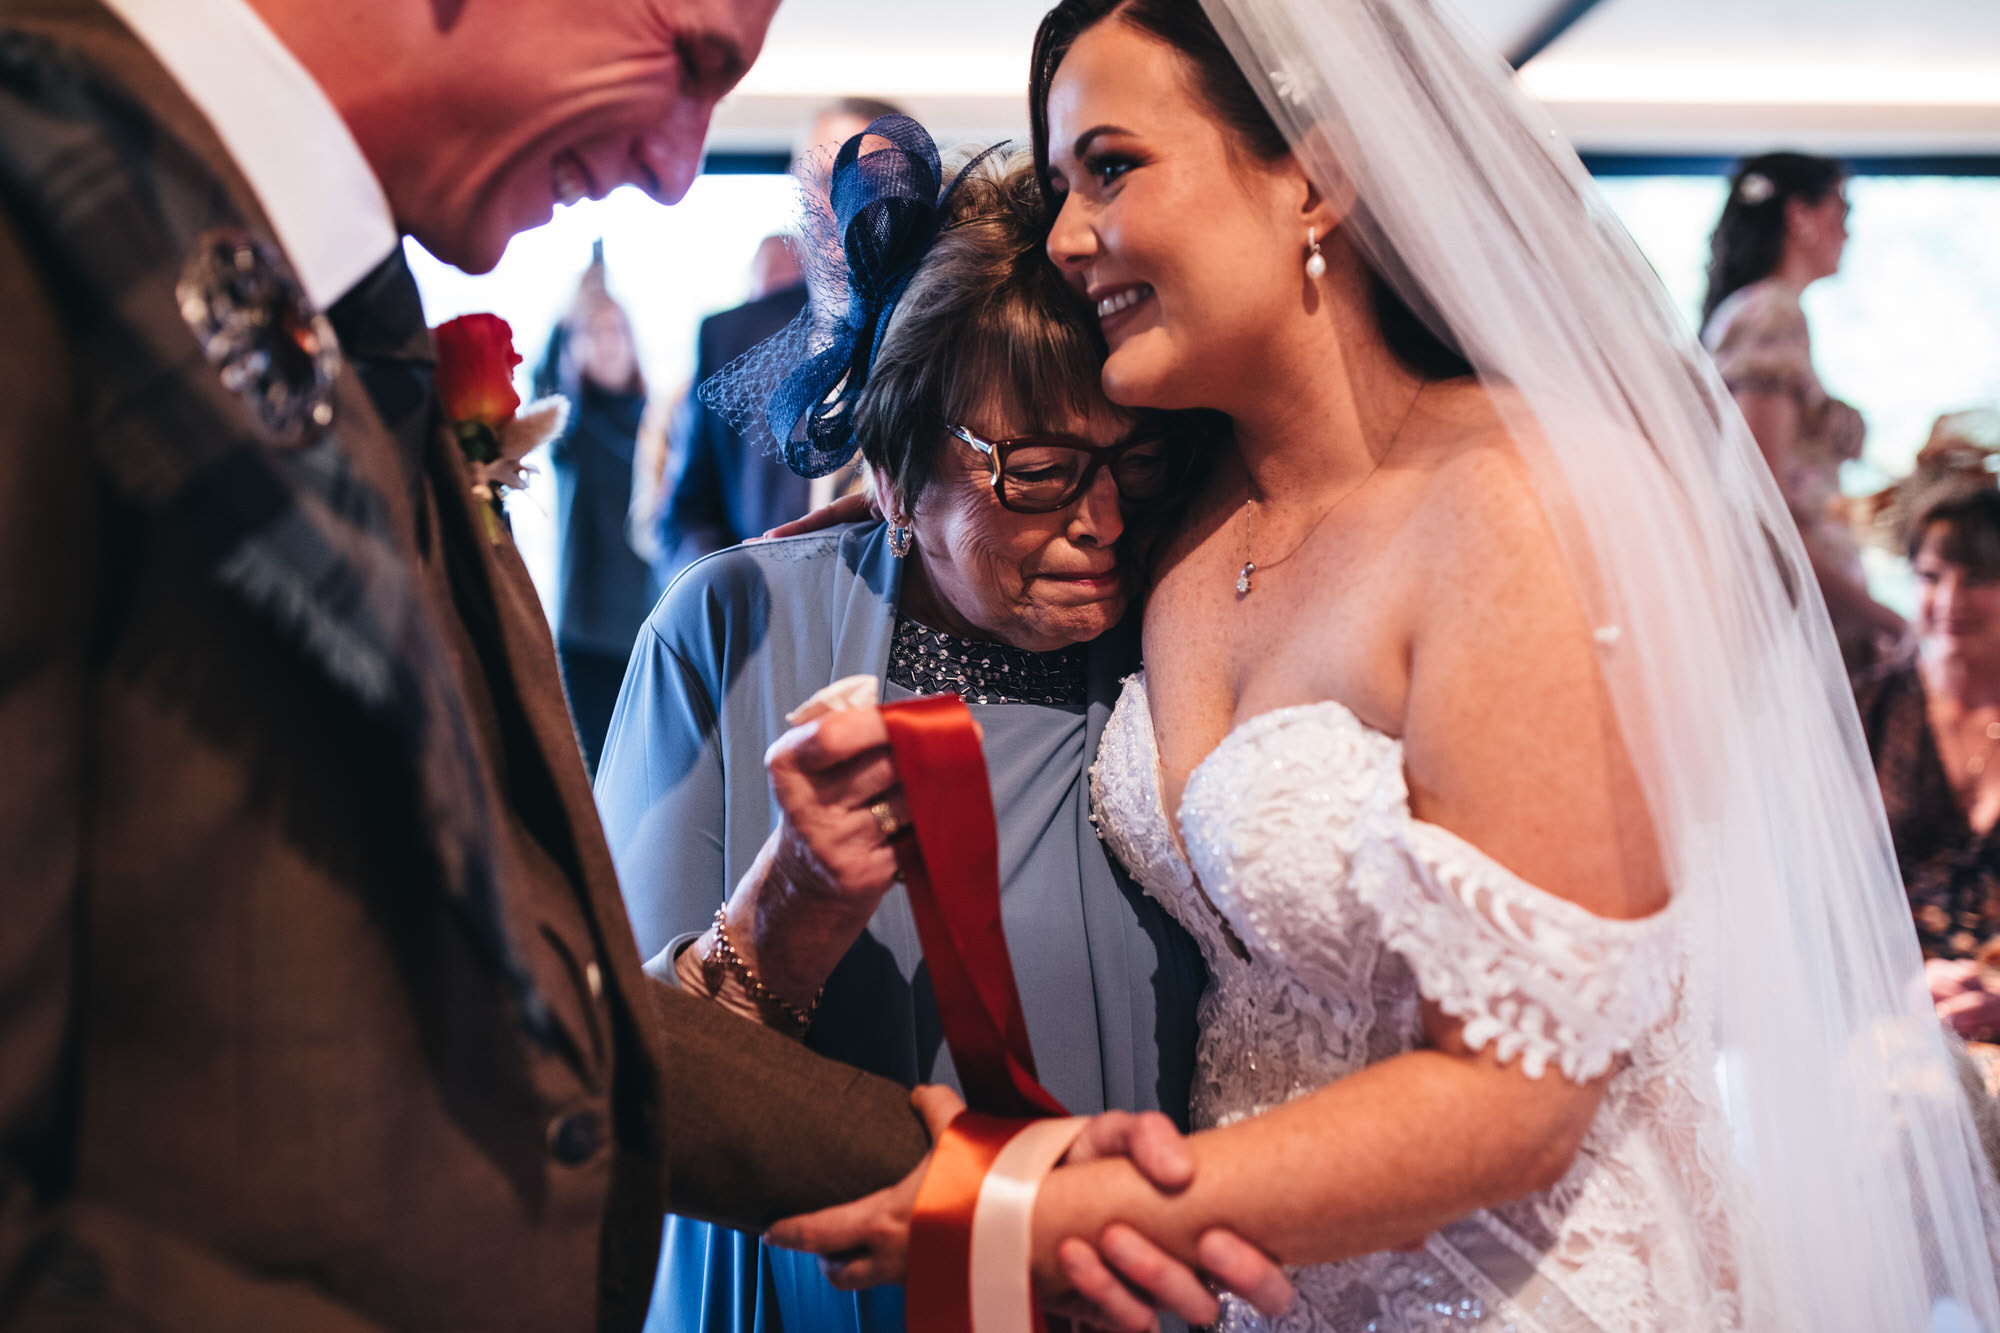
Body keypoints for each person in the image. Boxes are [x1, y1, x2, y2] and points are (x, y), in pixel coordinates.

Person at [768, 0, 2000, 1328]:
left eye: (1110, 168)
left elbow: (1520, 1094)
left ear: (1316, 174)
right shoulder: (1178, 505)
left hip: (1519, 1283)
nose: (1068, 237)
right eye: (1061, 183)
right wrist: (906, 498)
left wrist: (1063, 1205)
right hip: (1261, 1281)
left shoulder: (1522, 501)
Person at [0, 0, 949, 1327]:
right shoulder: (37, 222)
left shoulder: (347, 312)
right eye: (686, 60)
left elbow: (529, 985)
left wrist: (963, 1174)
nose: (679, 165)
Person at [597, 133, 1212, 1333]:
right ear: (890, 470)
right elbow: (620, 1071)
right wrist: (783, 913)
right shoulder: (724, 627)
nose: (1099, 521)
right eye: (1033, 471)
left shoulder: (1186, 612)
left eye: (1131, 462)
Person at [654, 97, 906, 579]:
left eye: (870, 183)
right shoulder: (730, 338)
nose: (845, 203)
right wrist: (726, 595)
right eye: (829, 178)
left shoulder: (949, 333)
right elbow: (688, 514)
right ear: (798, 184)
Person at [1702, 152, 1904, 674]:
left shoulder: (1753, 310)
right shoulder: (1772, 313)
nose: (1849, 233)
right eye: (1842, 211)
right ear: (1800, 215)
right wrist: (1883, 617)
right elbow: (1763, 501)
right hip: (1805, 608)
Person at [1858, 414, 2000, 1029]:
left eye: (1980, 579)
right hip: (1885, 1011)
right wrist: (1900, 981)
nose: (1948, 604)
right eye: (1930, 577)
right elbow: (1813, 899)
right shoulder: (1868, 713)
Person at [535, 247, 660, 775]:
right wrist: (576, 306)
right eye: (593, 332)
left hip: (646, 630)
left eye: (617, 330)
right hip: (585, 637)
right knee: (590, 778)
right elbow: (543, 384)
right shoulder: (572, 427)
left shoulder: (657, 422)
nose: (608, 343)